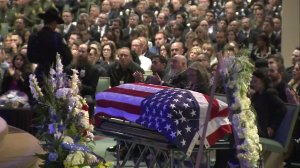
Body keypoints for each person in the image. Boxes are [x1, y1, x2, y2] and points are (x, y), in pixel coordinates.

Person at [27, 8, 72, 82]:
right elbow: (68, 57)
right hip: (54, 74)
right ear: (54, 22)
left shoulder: (34, 36)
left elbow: (31, 57)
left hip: (39, 73)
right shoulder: (57, 37)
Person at [251, 69, 286, 138]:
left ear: (263, 81)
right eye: (252, 82)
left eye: (255, 81)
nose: (253, 84)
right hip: (256, 127)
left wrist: (272, 127)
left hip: (264, 130)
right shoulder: (256, 95)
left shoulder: (269, 93)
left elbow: (283, 109)